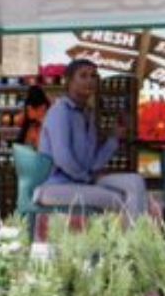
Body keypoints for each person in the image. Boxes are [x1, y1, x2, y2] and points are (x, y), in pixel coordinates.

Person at [35, 59, 149, 221]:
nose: (90, 80)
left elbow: (94, 163)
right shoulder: (60, 111)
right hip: (56, 186)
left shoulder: (88, 114)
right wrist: (87, 178)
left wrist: (114, 138)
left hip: (83, 182)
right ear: (69, 80)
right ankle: (129, 241)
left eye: (94, 76)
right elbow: (63, 158)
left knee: (135, 182)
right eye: (83, 76)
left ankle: (135, 240)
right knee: (120, 200)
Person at [17, 85, 50, 149]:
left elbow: (19, 122)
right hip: (43, 134)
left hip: (30, 133)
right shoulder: (45, 105)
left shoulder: (29, 106)